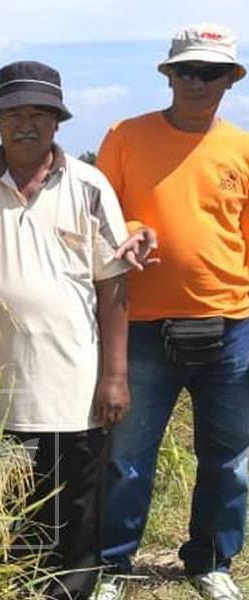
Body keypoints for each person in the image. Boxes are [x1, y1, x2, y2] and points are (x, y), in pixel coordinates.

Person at [0, 61, 131, 599]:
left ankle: (70, 592)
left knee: (75, 507)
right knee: (4, 506)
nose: (27, 124)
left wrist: (114, 376)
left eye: (40, 113)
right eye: (14, 113)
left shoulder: (89, 184)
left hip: (73, 384)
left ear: (58, 121)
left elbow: (114, 287)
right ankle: (8, 588)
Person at [94, 24, 249, 600]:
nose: (198, 82)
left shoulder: (240, 148)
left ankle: (210, 561)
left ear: (231, 80)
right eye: (187, 70)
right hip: (140, 323)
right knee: (128, 457)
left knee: (229, 457)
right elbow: (100, 216)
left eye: (212, 72)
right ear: (169, 75)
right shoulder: (124, 136)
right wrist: (133, 230)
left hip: (232, 324)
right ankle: (113, 563)